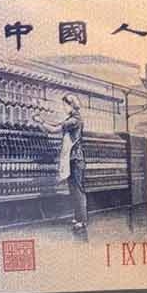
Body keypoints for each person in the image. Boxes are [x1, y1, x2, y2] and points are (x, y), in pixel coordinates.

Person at [55, 92, 88, 236]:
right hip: (72, 159)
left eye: (65, 105)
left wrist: (40, 121)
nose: (63, 108)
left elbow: (55, 128)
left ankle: (82, 220)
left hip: (76, 159)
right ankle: (78, 217)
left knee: (78, 190)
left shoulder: (75, 120)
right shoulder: (71, 119)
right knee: (73, 189)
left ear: (71, 105)